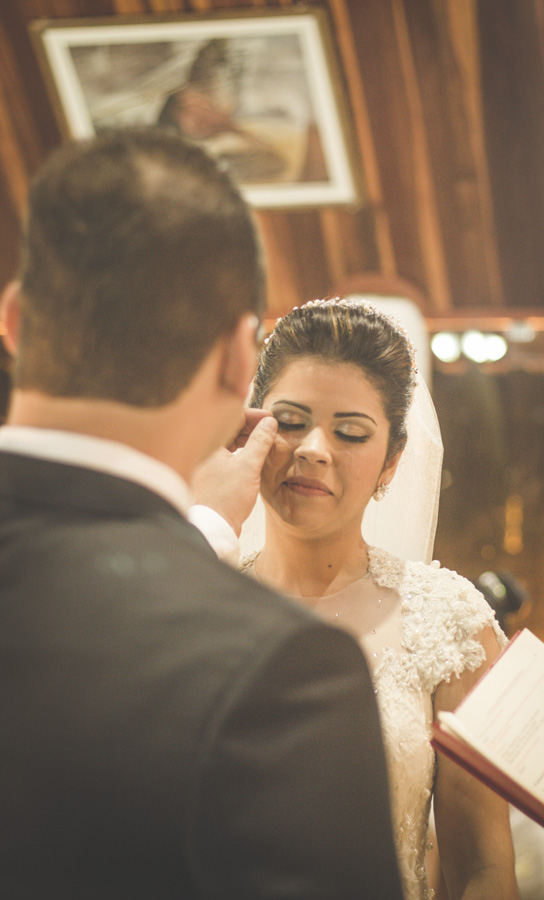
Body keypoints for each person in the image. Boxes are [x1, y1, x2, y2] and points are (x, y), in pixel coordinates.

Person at [0, 130, 404, 899]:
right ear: (234, 360)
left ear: (15, 322)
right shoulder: (278, 668)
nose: (315, 450)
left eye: (351, 432)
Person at [237, 298, 520, 900]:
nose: (314, 448)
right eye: (290, 421)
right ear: (253, 427)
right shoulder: (196, 595)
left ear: (391, 461)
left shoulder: (449, 624)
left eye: (350, 432)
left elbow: (483, 870)